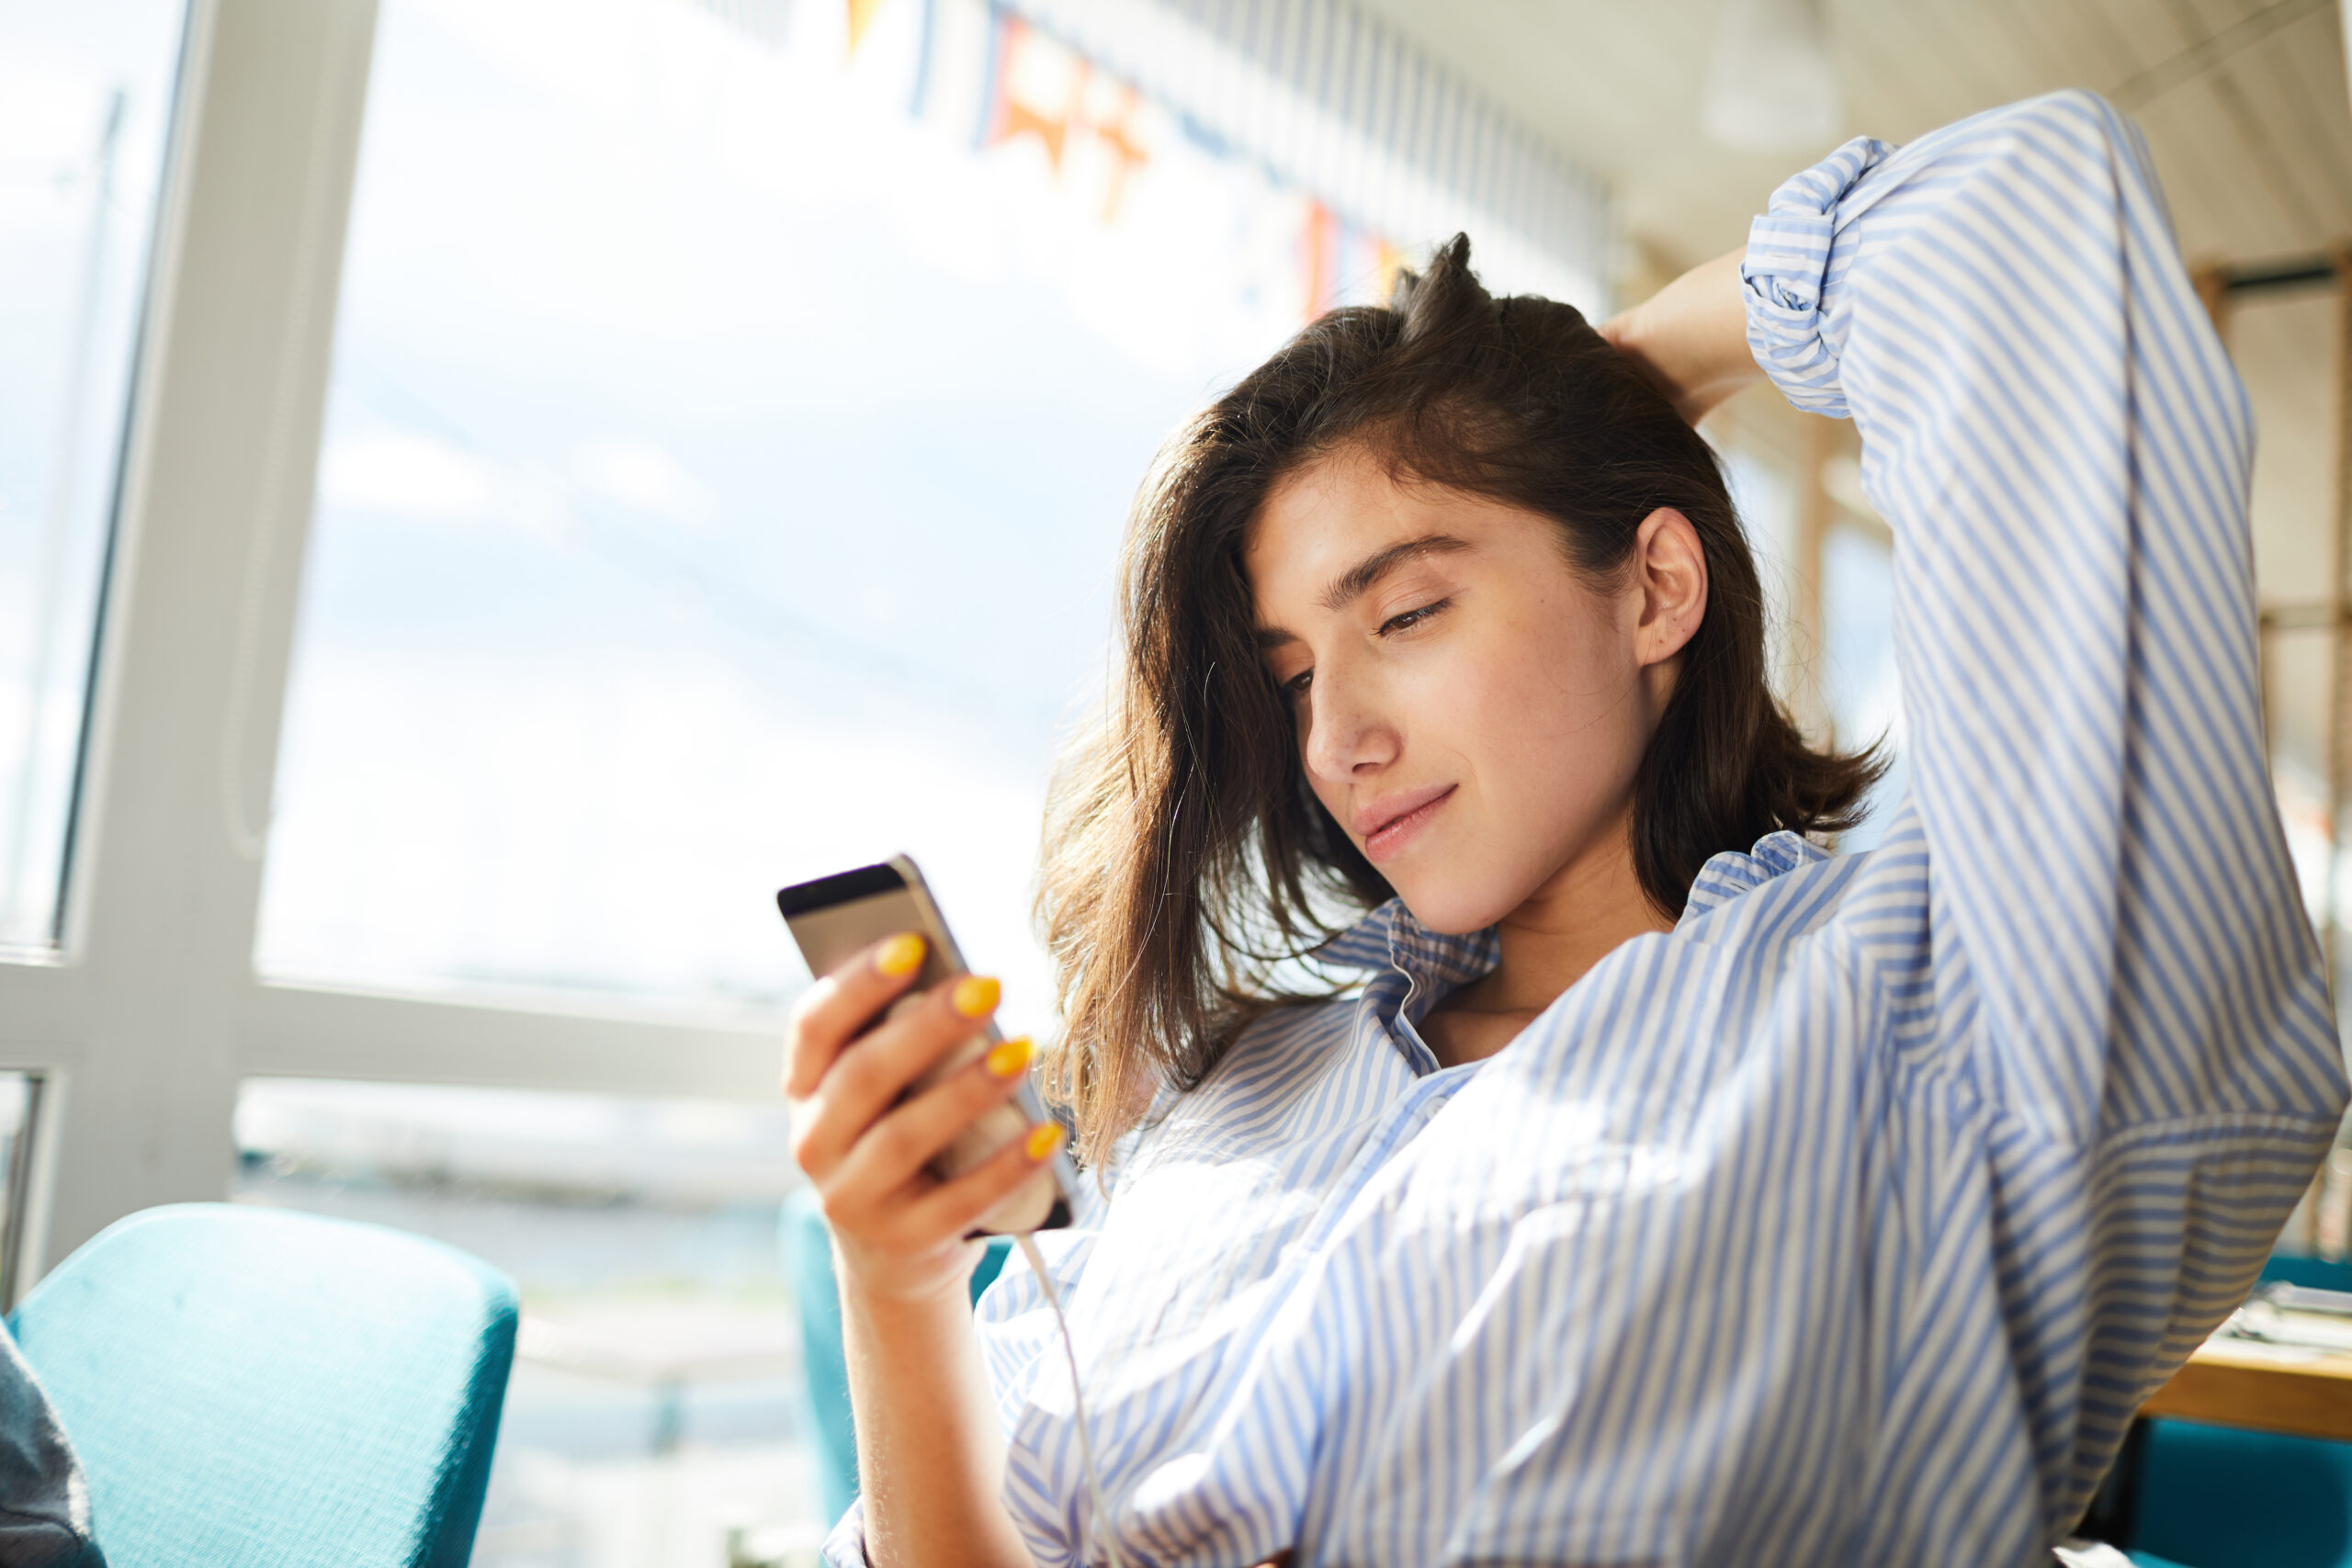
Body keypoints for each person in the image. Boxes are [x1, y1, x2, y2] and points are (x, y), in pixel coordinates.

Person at [787, 90, 2349, 1567]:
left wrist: (1634, 375)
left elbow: (2022, 222)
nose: (1337, 739)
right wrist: (899, 1281)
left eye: (1406, 610)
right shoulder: (1241, 1089)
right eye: (1291, 677)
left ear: (1658, 585)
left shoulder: (1939, 1012)